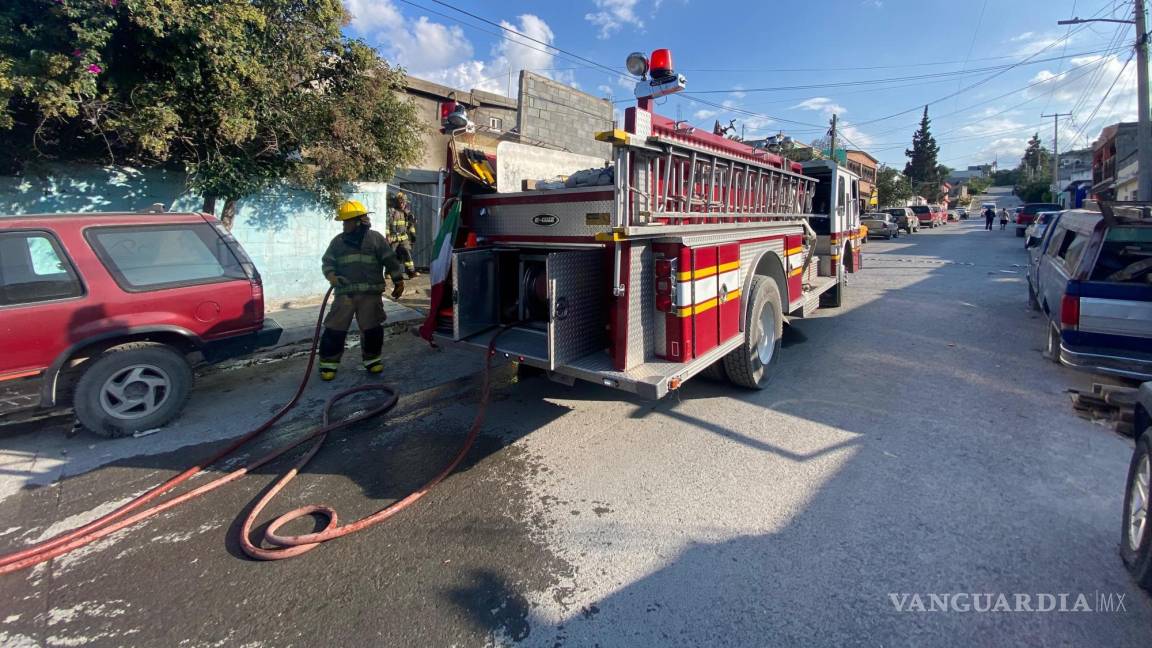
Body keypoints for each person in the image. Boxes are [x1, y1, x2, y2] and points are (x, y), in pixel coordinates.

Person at [318, 199, 406, 381]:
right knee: (335, 329)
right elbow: (327, 263)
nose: (344, 225)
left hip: (370, 296)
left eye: (347, 221)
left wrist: (398, 281)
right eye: (343, 222)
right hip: (345, 295)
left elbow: (390, 260)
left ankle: (372, 361)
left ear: (358, 222)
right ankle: (328, 365)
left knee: (372, 329)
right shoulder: (338, 242)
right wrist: (332, 277)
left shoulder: (375, 239)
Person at [387, 191, 419, 280]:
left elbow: (410, 224)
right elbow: (387, 223)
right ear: (397, 202)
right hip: (393, 238)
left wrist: (413, 234)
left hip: (403, 237)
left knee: (407, 252)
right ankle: (388, 272)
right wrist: (387, 235)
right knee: (391, 255)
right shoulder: (392, 211)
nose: (402, 204)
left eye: (404, 202)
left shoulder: (407, 212)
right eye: (401, 202)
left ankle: (411, 272)